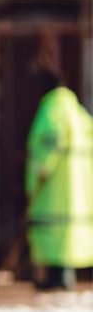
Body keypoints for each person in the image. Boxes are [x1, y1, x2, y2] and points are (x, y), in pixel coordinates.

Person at [25, 72, 93, 290]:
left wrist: (37, 175)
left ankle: (59, 279)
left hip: (54, 189)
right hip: (79, 189)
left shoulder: (53, 112)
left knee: (53, 232)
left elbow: (47, 148)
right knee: (68, 233)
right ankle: (63, 277)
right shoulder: (77, 112)